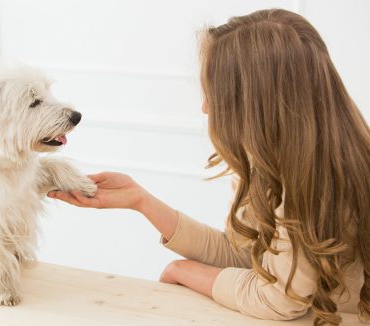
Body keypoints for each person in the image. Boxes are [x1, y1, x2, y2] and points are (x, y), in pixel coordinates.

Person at [47, 9, 369, 325]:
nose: (205, 106)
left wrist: (186, 271)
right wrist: (141, 201)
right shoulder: (277, 162)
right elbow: (250, 256)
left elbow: (279, 299)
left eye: (215, 92)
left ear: (254, 100)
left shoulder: (311, 183)